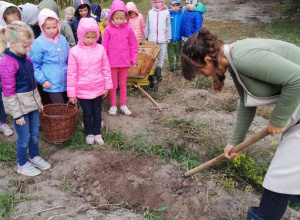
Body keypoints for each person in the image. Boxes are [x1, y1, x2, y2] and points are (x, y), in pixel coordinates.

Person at [181, 27, 300, 220]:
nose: (203, 75)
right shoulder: (235, 61)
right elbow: (247, 103)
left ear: (207, 60)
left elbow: (297, 78)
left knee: (279, 179)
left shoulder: (244, 57)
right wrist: (233, 142)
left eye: (200, 70)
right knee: (291, 173)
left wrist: (277, 120)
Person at [0, 21, 51, 176]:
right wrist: (17, 114)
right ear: (13, 42)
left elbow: (33, 85)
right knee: (24, 137)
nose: (28, 49)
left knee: (34, 133)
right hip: (20, 108)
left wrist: (39, 102)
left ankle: (34, 156)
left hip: (32, 104)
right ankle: (21, 164)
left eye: (29, 45)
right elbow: (8, 92)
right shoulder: (7, 63)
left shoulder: (27, 59)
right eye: (25, 46)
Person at [67, 17, 112, 145]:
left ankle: (97, 132)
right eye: (88, 37)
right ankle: (89, 132)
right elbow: (71, 74)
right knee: (87, 113)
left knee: (97, 112)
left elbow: (106, 68)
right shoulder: (74, 52)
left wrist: (107, 86)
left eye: (94, 37)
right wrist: (72, 94)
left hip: (98, 87)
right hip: (83, 89)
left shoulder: (100, 49)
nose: (91, 40)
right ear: (81, 35)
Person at [102, 0, 138, 116]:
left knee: (123, 83)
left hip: (124, 61)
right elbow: (104, 47)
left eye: (121, 18)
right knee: (113, 84)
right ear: (111, 16)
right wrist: (104, 60)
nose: (119, 20)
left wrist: (133, 58)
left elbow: (133, 45)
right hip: (111, 62)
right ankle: (113, 105)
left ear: (125, 17)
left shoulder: (128, 30)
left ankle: (123, 104)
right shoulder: (108, 30)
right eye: (116, 18)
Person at [30, 9, 70, 104]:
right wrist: (43, 80)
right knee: (59, 107)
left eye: (54, 27)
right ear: (42, 26)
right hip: (51, 83)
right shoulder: (38, 43)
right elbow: (34, 65)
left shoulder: (62, 39)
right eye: (48, 28)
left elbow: (70, 58)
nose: (52, 30)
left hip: (66, 80)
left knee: (69, 107)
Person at [0, 1, 20, 137]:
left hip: (14, 70)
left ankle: (9, 121)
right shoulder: (3, 33)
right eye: (10, 22)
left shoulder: (21, 32)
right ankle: (3, 123)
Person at [145, 0, 171, 83]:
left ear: (162, 3)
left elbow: (168, 25)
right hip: (152, 38)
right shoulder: (150, 12)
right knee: (152, 55)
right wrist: (146, 36)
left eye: (159, 2)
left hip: (162, 38)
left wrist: (168, 37)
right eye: (155, 2)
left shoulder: (166, 12)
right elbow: (147, 24)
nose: (157, 4)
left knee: (161, 55)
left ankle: (158, 71)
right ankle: (151, 71)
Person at [168, 0, 183, 72]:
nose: (175, 7)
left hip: (179, 39)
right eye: (173, 6)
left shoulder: (182, 15)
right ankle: (171, 66)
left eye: (177, 5)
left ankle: (178, 66)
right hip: (170, 39)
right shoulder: (168, 15)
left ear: (180, 5)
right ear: (170, 5)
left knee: (178, 54)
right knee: (170, 54)